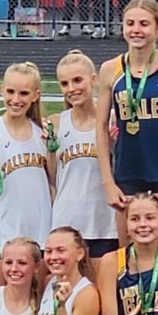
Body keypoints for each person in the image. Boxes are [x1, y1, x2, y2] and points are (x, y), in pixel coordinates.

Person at [96, 0, 158, 245]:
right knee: (130, 256)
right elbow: (101, 128)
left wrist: (157, 120)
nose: (136, 30)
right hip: (128, 171)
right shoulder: (110, 69)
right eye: (130, 23)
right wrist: (108, 181)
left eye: (144, 24)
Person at [0, 62, 54, 282]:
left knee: (37, 307)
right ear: (2, 90)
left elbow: (53, 184)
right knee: (3, 306)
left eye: (24, 93)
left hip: (40, 234)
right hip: (3, 235)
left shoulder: (44, 132)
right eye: (10, 92)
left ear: (35, 95)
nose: (16, 99)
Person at [49, 50, 118, 259]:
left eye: (77, 80)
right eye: (64, 83)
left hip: (105, 222)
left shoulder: (112, 118)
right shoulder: (56, 122)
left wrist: (115, 145)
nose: (71, 89)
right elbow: (52, 178)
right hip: (67, 221)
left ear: (94, 80)